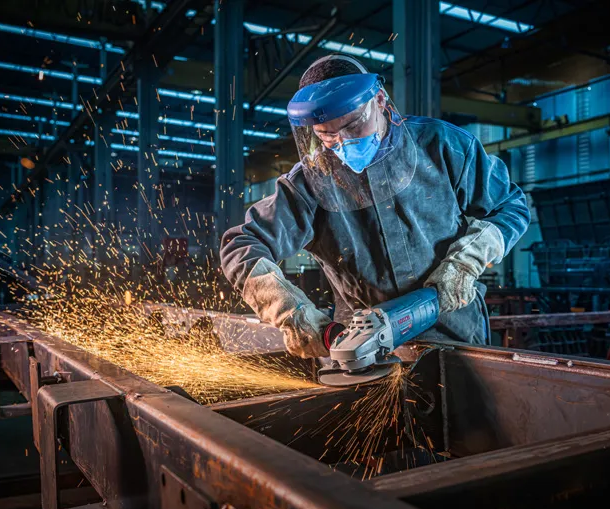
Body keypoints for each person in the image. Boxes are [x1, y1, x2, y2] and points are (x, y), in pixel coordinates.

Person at [221, 54, 530, 358]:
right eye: (327, 135)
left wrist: (466, 262)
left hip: (456, 336)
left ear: (379, 100)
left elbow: (509, 206)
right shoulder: (309, 184)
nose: (344, 143)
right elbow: (242, 246)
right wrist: (292, 313)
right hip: (362, 349)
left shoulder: (442, 145)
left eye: (354, 126)